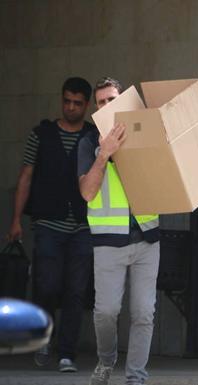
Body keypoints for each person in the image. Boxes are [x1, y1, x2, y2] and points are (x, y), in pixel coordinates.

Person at [7, 77, 95, 373]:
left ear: (86, 104)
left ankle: (66, 352)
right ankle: (44, 337)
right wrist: (16, 219)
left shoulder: (94, 137)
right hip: (47, 223)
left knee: (76, 289)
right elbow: (26, 176)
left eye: (77, 103)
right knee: (46, 284)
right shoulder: (41, 134)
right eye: (66, 101)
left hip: (83, 226)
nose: (71, 108)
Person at [77, 77, 160, 385]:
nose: (107, 106)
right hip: (108, 242)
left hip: (147, 237)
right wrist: (103, 154)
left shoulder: (143, 136)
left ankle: (136, 377)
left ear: (123, 100)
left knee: (143, 313)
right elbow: (87, 192)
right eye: (101, 102)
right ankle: (106, 361)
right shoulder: (87, 143)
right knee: (106, 312)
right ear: (94, 108)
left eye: (113, 99)